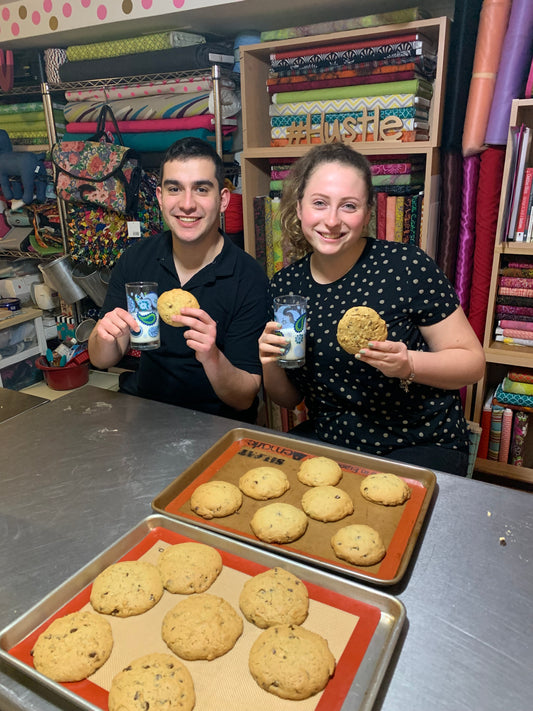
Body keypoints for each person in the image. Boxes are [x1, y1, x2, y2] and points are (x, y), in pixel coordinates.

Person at [258, 143, 486, 476]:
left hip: (417, 441)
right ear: (299, 207)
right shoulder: (286, 286)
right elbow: (289, 399)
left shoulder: (406, 266)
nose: (332, 221)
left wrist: (409, 364)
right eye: (319, 203)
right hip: (331, 441)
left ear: (367, 214)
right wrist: (269, 363)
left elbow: (472, 363)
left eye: (348, 206)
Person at [89, 137, 268, 421]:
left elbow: (244, 397)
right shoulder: (136, 259)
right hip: (145, 411)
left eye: (201, 189)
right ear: (160, 197)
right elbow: (101, 359)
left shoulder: (248, 277)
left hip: (216, 424)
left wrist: (211, 355)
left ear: (222, 200)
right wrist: (103, 336)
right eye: (175, 189)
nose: (187, 204)